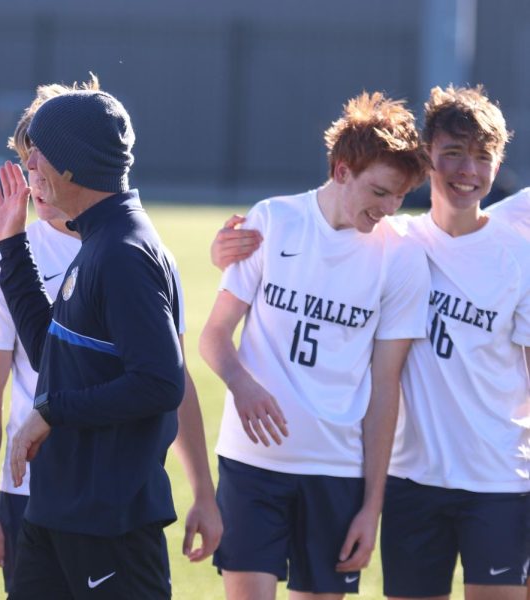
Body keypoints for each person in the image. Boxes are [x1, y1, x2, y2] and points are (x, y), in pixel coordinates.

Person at [0, 79, 222, 593]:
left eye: (38, 157)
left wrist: (51, 413)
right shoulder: (97, 240)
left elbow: (162, 382)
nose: (28, 170)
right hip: (58, 511)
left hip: (109, 520)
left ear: (71, 166)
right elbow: (50, 356)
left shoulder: (122, 252)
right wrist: (12, 248)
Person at [199, 91, 430, 599]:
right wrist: (242, 385)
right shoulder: (273, 221)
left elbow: (385, 388)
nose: (390, 208)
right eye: (381, 191)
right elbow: (213, 336)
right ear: (342, 170)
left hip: (336, 473)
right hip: (252, 463)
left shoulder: (401, 258)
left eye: (400, 197)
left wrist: (372, 507)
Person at [381, 85, 530, 600]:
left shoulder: (517, 254)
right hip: (410, 482)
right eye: (452, 154)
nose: (467, 170)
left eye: (482, 157)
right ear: (427, 158)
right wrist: (240, 249)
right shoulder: (394, 243)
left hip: (499, 482)